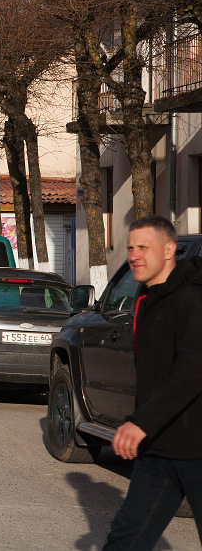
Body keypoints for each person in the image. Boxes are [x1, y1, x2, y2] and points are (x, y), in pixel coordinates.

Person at [103, 215, 202, 549]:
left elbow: (193, 369)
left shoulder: (192, 299)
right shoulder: (148, 299)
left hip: (198, 449)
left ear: (170, 249)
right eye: (131, 248)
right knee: (125, 541)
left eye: (143, 247)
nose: (134, 255)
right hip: (159, 451)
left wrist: (140, 422)